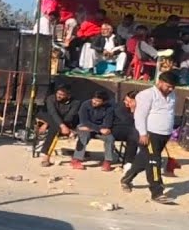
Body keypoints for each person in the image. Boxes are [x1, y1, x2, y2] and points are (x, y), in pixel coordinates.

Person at [121, 71, 178, 204]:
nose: (170, 89)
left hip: (164, 133)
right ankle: (157, 192)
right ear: (160, 82)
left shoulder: (172, 95)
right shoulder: (146, 95)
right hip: (150, 133)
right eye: (168, 86)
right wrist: (143, 133)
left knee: (143, 159)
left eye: (173, 87)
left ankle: (127, 179)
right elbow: (140, 115)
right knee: (154, 162)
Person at [72, 89, 118, 170]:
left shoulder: (109, 108)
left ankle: (107, 161)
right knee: (84, 135)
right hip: (89, 127)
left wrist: (97, 129)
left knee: (110, 138)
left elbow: (107, 123)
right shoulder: (85, 104)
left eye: (98, 101)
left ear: (103, 102)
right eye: (94, 99)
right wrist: (98, 129)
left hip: (99, 129)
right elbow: (84, 121)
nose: (94, 102)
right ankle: (77, 159)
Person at [39, 84, 81, 166]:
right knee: (53, 122)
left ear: (68, 96)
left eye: (62, 95)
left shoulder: (75, 102)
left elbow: (70, 116)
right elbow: (52, 113)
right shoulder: (51, 98)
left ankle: (45, 155)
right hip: (48, 116)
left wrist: (63, 125)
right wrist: (62, 126)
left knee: (54, 128)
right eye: (58, 93)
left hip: (63, 121)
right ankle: (46, 154)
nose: (58, 96)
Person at [113, 90, 140, 166]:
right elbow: (127, 121)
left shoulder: (141, 108)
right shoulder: (120, 107)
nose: (126, 102)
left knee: (135, 135)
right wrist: (133, 110)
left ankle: (129, 161)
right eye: (125, 100)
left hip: (132, 131)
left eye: (129, 101)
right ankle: (129, 162)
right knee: (134, 135)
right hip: (117, 129)